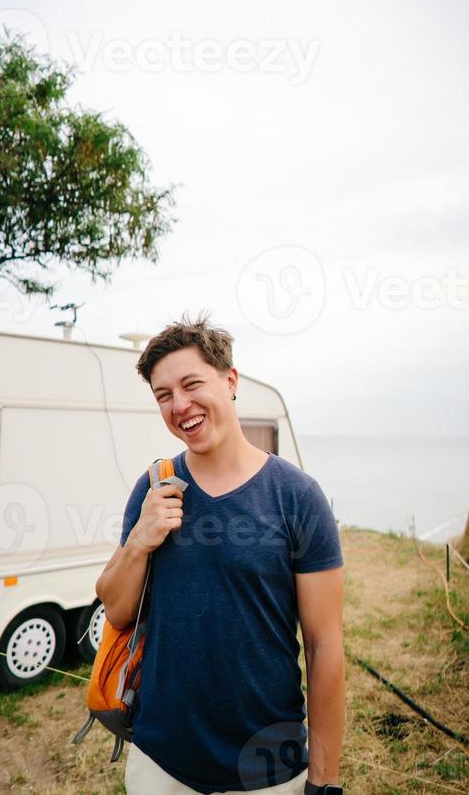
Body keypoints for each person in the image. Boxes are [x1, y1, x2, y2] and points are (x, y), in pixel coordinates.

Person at [95, 314, 345, 795]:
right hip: (160, 763)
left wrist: (324, 780)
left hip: (267, 769)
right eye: (163, 395)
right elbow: (116, 606)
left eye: (191, 384)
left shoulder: (296, 497)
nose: (179, 405)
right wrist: (141, 539)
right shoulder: (154, 486)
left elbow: (324, 644)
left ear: (230, 381)